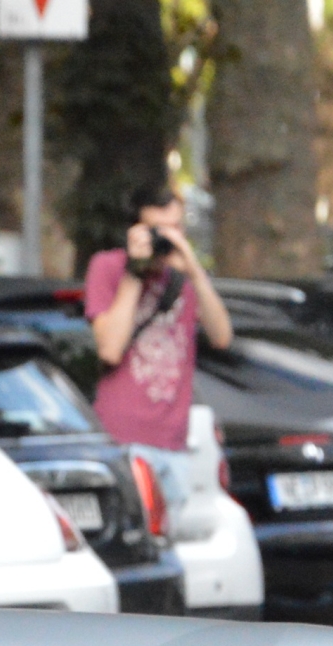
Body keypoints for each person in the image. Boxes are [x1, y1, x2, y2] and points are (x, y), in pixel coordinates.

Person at [84, 183, 234, 519]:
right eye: (158, 230)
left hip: (174, 443)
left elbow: (222, 336)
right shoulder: (108, 267)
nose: (168, 238)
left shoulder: (182, 278)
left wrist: (194, 269)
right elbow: (109, 349)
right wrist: (136, 272)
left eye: (176, 228)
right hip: (125, 440)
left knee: (171, 557)